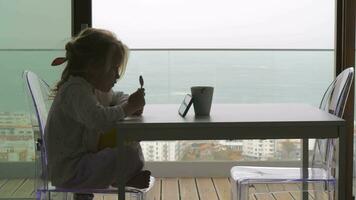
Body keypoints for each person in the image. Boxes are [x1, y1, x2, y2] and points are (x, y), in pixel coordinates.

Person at [45, 28, 151, 197]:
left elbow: (116, 97)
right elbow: (99, 120)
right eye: (113, 68)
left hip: (84, 162)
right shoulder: (75, 90)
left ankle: (121, 178)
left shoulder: (92, 87)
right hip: (71, 171)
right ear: (94, 66)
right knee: (129, 154)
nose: (117, 75)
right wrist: (129, 107)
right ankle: (121, 179)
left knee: (132, 147)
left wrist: (128, 102)